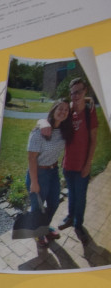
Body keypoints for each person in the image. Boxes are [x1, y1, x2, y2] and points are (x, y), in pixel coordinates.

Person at [26, 100, 71, 250]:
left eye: (66, 110)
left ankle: (44, 227)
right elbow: (31, 158)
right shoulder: (40, 131)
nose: (63, 111)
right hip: (39, 173)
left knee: (54, 203)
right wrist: (34, 182)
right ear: (53, 109)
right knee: (38, 206)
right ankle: (38, 233)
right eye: (60, 108)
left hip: (53, 172)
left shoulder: (64, 130)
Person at [59, 77, 100, 236]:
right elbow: (53, 117)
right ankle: (70, 217)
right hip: (68, 164)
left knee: (81, 197)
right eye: (72, 92)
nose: (75, 95)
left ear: (85, 91)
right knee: (72, 194)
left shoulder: (89, 112)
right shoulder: (67, 111)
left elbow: (94, 140)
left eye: (79, 91)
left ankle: (78, 224)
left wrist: (88, 164)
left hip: (82, 165)